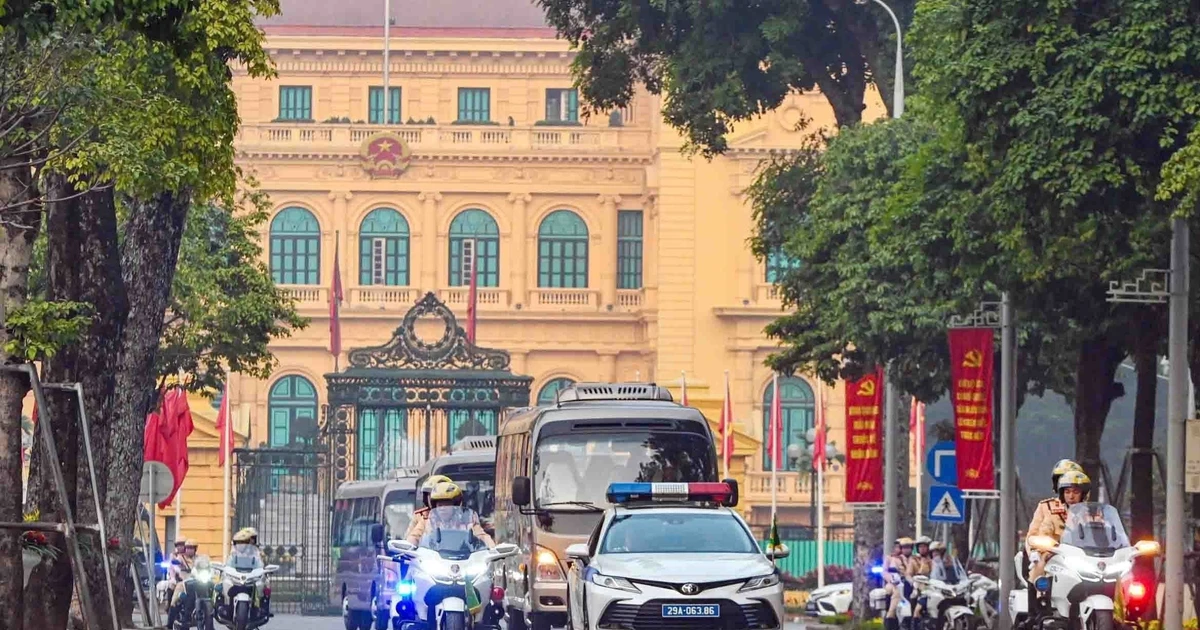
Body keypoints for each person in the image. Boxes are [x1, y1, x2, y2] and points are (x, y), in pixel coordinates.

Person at [1028, 470, 1091, 584]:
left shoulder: (1093, 515)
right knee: (1040, 563)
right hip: (1057, 555)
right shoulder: (1054, 515)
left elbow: (1106, 534)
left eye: (1075, 492)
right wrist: (1041, 546)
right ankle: (1037, 597)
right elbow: (1043, 533)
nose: (1071, 496)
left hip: (1086, 557)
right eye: (1067, 492)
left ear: (1083, 494)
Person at [407, 481, 496, 548]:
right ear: (434, 506)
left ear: (456, 505)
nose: (443, 508)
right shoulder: (427, 521)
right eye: (440, 505)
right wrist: (408, 547)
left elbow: (482, 535)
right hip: (433, 562)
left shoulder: (466, 520)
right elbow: (414, 537)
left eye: (447, 504)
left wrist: (493, 548)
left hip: (463, 561)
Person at [884, 537, 915, 630]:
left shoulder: (916, 558)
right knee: (896, 592)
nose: (906, 549)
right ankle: (891, 615)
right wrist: (892, 579)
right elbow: (888, 572)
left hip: (915, 584)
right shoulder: (894, 559)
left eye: (908, 547)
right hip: (898, 584)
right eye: (904, 547)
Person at [909, 536, 934, 619]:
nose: (922, 549)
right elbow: (909, 574)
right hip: (919, 585)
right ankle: (914, 617)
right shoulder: (914, 560)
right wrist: (912, 581)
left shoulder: (933, 560)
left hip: (933, 585)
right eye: (920, 547)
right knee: (914, 595)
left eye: (924, 546)